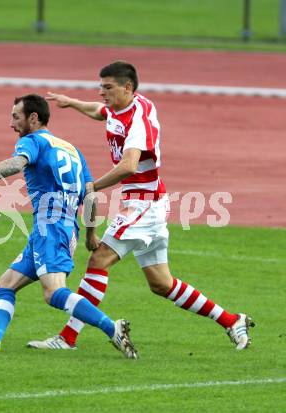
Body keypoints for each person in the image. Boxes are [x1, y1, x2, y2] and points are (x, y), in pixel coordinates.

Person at [27, 61, 254, 352]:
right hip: (150, 203)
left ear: (127, 87)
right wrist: (72, 103)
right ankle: (232, 320)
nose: (101, 92)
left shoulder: (138, 122)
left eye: (107, 87)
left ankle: (67, 338)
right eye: (100, 87)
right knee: (161, 283)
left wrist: (95, 186)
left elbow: (129, 164)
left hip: (142, 204)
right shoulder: (128, 106)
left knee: (99, 260)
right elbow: (102, 112)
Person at [0, 93, 137, 359]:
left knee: (53, 292)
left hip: (51, 228)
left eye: (16, 117)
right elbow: (92, 195)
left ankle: (112, 327)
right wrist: (90, 235)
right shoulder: (72, 150)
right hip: (60, 228)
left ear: (33, 118)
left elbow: (16, 164)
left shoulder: (32, 141)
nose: (11, 123)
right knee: (5, 285)